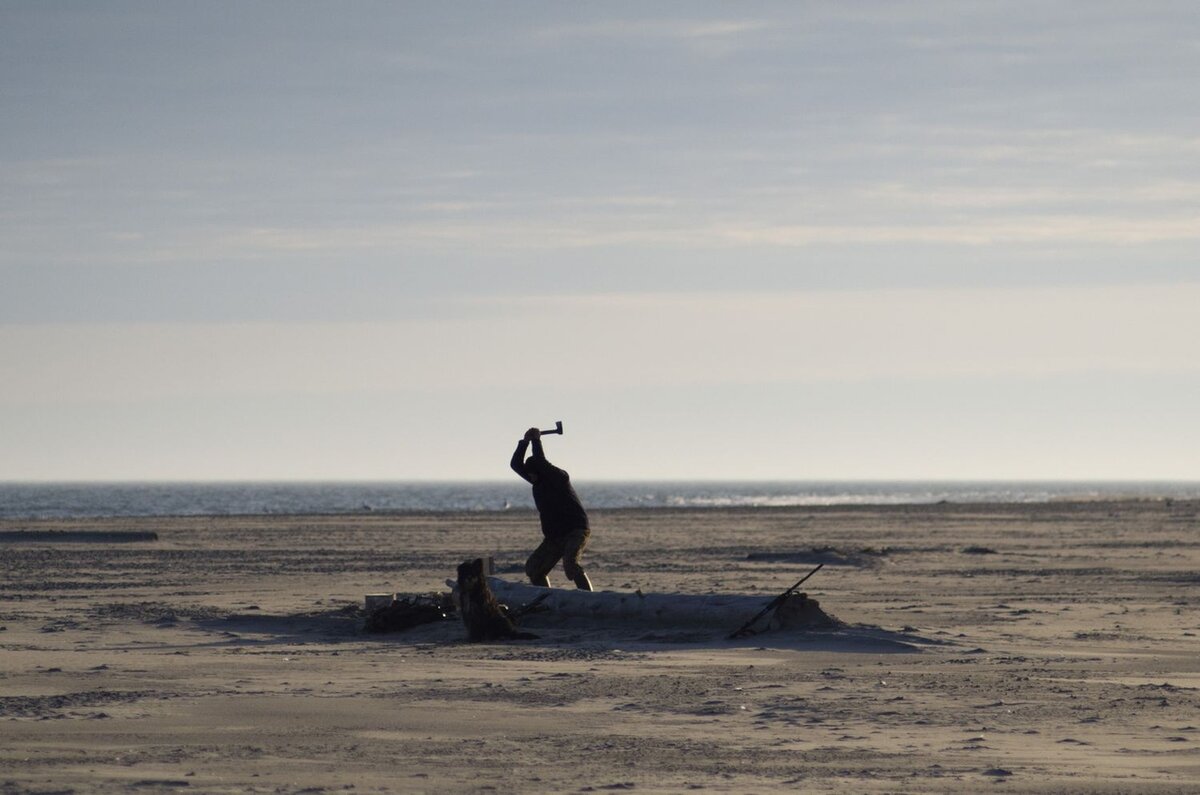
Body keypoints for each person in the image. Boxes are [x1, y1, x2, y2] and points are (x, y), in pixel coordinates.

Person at [510, 427, 593, 590]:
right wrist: (524, 442)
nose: (530, 478)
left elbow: (540, 461)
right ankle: (547, 599)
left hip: (575, 530)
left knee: (571, 565)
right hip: (554, 536)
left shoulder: (559, 477)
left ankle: (588, 596)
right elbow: (515, 464)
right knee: (534, 569)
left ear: (540, 471)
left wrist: (536, 440)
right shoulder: (537, 481)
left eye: (532, 474)